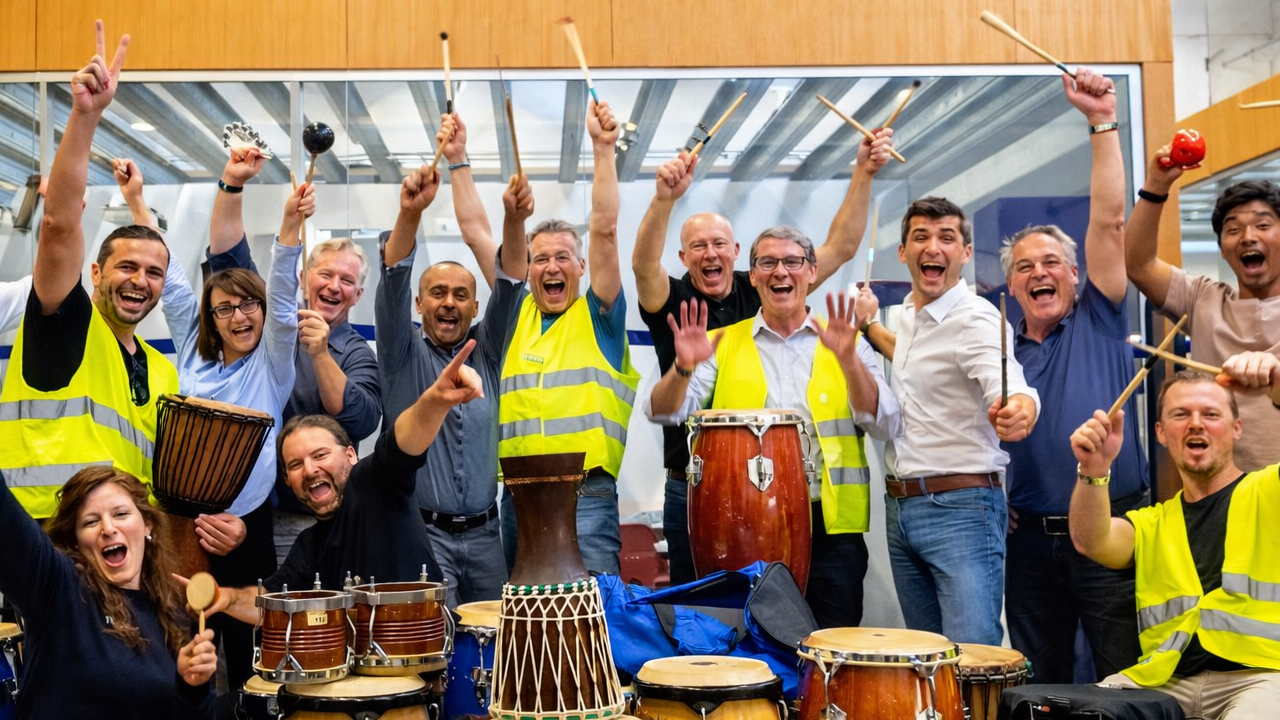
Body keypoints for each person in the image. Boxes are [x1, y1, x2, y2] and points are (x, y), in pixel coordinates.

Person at [633, 129, 895, 585]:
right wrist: (663, 199)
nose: (710, 253)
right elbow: (641, 266)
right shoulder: (673, 299)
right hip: (702, 485)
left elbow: (840, 246)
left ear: (737, 256)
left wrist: (864, 172)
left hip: (813, 508)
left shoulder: (767, 285)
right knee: (711, 615)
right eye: (698, 246)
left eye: (719, 244)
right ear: (683, 256)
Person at [644, 226, 901, 627]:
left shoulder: (848, 342)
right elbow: (662, 412)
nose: (780, 271)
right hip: (742, 527)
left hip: (831, 531)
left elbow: (886, 423)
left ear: (812, 272)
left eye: (792, 261)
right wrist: (682, 367)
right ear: (753, 275)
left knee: (828, 648)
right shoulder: (720, 342)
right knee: (747, 648)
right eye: (767, 262)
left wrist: (850, 362)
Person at [1000, 68, 1146, 682]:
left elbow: (1110, 221)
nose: (1040, 272)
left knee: (1125, 674)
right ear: (1010, 286)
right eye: (1024, 267)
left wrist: (1101, 122)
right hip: (1028, 544)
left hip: (1113, 525)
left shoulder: (1100, 317)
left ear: (1077, 274)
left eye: (1052, 262)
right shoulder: (998, 352)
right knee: (1041, 685)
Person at [0, 22, 179, 519]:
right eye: (127, 266)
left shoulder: (162, 371)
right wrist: (85, 115)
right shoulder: (67, 322)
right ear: (95, 273)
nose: (140, 281)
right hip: (48, 532)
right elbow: (58, 227)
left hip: (126, 542)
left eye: (154, 273)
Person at [157, 176, 312, 691]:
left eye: (248, 304)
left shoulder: (272, 365)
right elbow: (174, 287)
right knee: (183, 655)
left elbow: (285, 301)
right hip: (182, 527)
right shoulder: (192, 354)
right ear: (212, 318)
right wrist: (137, 204)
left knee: (252, 667)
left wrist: (289, 227)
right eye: (224, 308)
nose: (238, 316)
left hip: (247, 527)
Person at [203, 339, 483, 622]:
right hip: (361, 651)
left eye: (320, 455)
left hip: (427, 643)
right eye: (296, 465)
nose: (310, 470)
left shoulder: (372, 483)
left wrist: (436, 398)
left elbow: (402, 442)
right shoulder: (309, 546)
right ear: (287, 481)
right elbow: (270, 602)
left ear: (351, 454)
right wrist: (222, 598)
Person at [376, 114, 531, 606]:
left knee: (496, 637)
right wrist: (410, 214)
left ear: (475, 305)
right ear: (419, 304)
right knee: (435, 642)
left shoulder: (488, 350)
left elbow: (511, 282)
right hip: (423, 536)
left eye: (461, 294)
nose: (448, 302)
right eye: (437, 293)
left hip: (487, 538)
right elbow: (394, 275)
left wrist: (514, 221)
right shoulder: (400, 352)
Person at [1069, 363, 1280, 719]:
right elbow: (1092, 540)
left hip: (1263, 676)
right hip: (1164, 680)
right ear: (1161, 433)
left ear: (1237, 428)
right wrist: (1094, 469)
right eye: (1181, 414)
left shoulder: (1270, 490)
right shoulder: (1151, 523)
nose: (1196, 423)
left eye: (1211, 414)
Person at [204, 148, 382, 564]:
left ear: (358, 294)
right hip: (266, 514)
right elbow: (228, 262)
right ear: (303, 278)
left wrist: (320, 354)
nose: (334, 286)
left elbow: (361, 420)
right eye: (326, 274)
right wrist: (233, 183)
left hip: (336, 517)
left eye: (347, 280)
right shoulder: (268, 327)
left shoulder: (357, 352)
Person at [883, 196, 1040, 646]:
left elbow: (1011, 385)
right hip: (901, 508)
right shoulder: (908, 317)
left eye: (947, 238)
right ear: (903, 252)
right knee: (926, 661)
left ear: (965, 253)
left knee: (972, 658)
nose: (933, 247)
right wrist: (865, 329)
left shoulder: (976, 319)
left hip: (961, 509)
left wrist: (1020, 409)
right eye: (921, 237)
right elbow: (909, 358)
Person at [497, 98, 639, 576]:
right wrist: (458, 161)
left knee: (592, 609)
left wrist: (603, 150)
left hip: (586, 493)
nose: (551, 266)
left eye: (563, 257)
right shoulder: (515, 313)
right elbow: (480, 235)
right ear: (529, 268)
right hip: (517, 493)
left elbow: (605, 230)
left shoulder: (599, 315)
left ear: (581, 267)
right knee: (524, 612)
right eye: (540, 258)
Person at [0, 462, 216, 718]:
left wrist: (193, 690)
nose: (108, 528)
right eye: (91, 521)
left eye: (121, 514)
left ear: (147, 525)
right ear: (76, 542)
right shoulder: (59, 588)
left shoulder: (176, 613)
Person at [1126, 161, 1280, 471]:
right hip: (1217, 484)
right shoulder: (1202, 298)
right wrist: (1156, 185)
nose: (1248, 237)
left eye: (1263, 226)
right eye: (1233, 229)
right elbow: (1138, 264)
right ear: (1222, 248)